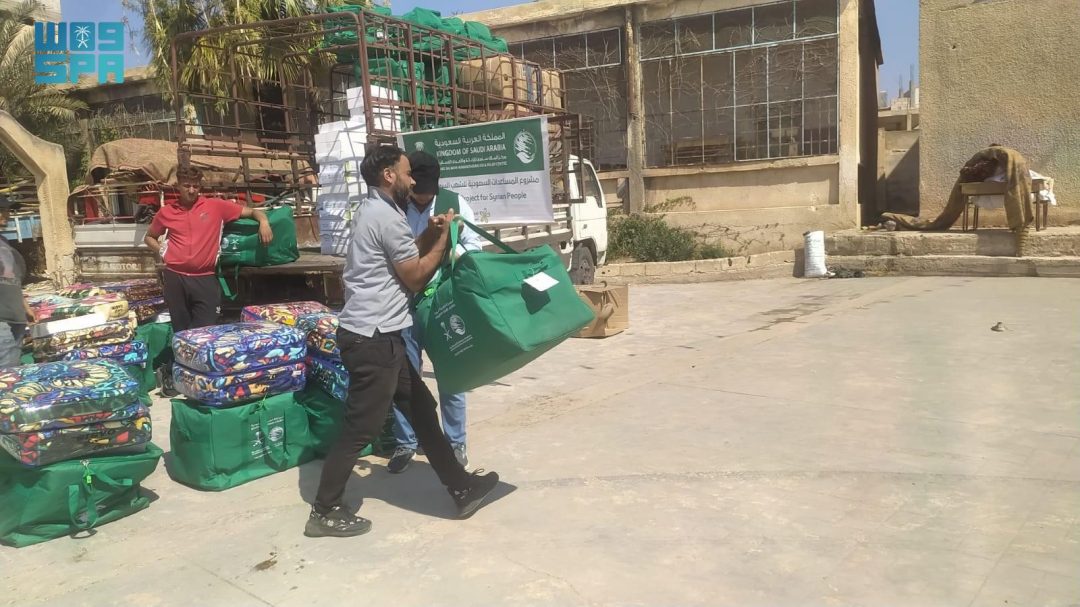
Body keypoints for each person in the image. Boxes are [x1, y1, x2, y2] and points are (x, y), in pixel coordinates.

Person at [306, 145, 499, 538]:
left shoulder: (377, 210)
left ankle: (461, 487)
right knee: (360, 428)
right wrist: (443, 241)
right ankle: (323, 511)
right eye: (407, 173)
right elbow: (413, 276)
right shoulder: (387, 216)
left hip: (382, 336)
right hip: (373, 339)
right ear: (389, 175)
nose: (413, 181)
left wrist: (429, 234)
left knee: (423, 412)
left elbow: (404, 256)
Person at [387, 151, 482, 474]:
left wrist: (450, 246)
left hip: (442, 304)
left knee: (450, 373)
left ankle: (455, 442)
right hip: (405, 304)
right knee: (406, 377)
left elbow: (475, 248)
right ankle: (406, 441)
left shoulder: (455, 204)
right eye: (418, 191)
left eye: (428, 193)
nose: (422, 198)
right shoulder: (396, 206)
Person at [143, 166, 273, 332]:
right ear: (178, 186)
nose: (191, 190)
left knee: (206, 330)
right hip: (175, 278)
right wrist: (162, 250)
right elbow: (149, 237)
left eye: (195, 186)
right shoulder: (166, 212)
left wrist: (264, 222)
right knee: (181, 331)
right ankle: (179, 350)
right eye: (186, 185)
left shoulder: (216, 206)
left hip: (204, 277)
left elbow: (253, 212)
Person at [0, 196, 34, 368]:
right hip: (2, 321)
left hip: (15, 317)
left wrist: (25, 307)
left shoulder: (4, 242)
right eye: (1, 210)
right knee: (7, 374)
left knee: (13, 370)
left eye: (7, 210)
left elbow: (12, 280)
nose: (6, 214)